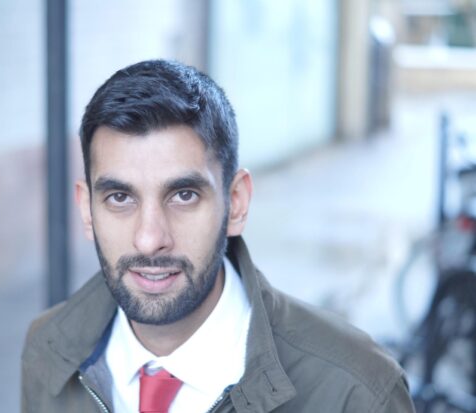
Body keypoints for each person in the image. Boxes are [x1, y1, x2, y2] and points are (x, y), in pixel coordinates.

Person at [21, 59, 415, 413]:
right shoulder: (47, 350)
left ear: (236, 203)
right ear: (86, 209)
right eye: (120, 197)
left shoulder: (357, 392)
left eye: (184, 195)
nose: (149, 239)